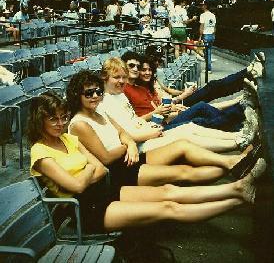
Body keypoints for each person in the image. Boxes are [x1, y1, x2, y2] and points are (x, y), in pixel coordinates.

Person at [29, 91, 265, 233]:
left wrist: (88, 172)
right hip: (85, 210)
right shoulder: (40, 154)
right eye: (53, 119)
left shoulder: (69, 138)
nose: (60, 123)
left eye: (62, 117)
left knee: (169, 191)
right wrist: (89, 170)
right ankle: (239, 199)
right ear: (40, 121)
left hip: (106, 189)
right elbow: (78, 187)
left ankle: (237, 188)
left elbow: (100, 169)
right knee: (168, 208)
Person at [100, 57, 257, 153]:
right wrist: (164, 113)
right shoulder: (118, 95)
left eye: (123, 76)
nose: (121, 80)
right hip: (158, 124)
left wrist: (181, 95)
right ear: (105, 77)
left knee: (205, 102)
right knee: (199, 116)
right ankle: (241, 119)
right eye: (117, 77)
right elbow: (127, 130)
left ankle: (242, 118)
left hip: (160, 119)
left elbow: (138, 118)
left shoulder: (129, 91)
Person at [123, 54, 247, 132]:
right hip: (164, 119)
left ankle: (242, 102)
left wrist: (181, 95)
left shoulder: (143, 87)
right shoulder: (126, 90)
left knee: (209, 93)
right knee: (203, 108)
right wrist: (180, 99)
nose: (146, 72)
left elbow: (165, 93)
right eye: (141, 69)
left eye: (149, 69)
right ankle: (241, 112)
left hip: (171, 110)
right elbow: (153, 113)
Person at [199, 1, 216, 73]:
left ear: (206, 6)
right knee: (208, 51)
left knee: (206, 52)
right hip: (212, 34)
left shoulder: (202, 15)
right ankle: (208, 67)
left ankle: (208, 68)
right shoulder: (213, 15)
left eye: (203, 5)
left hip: (205, 34)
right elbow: (215, 27)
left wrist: (200, 36)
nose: (201, 6)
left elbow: (201, 26)